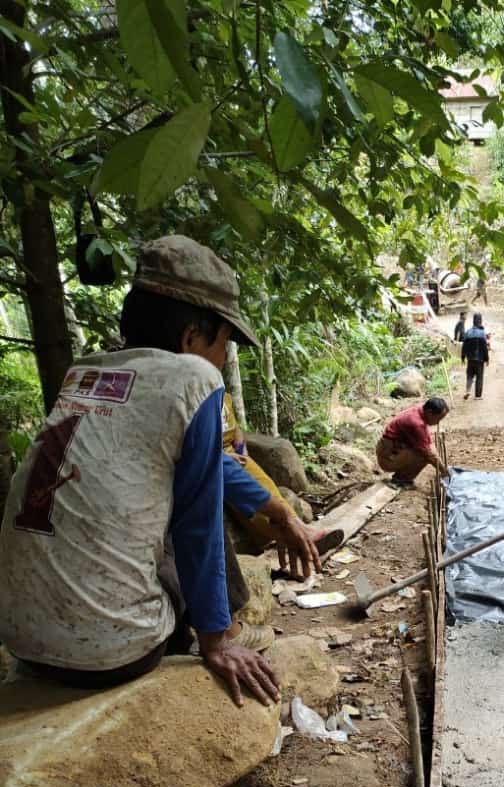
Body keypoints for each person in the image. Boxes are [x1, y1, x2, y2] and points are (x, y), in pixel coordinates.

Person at [0, 235, 321, 707]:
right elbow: (199, 521)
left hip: (22, 641)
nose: (220, 356)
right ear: (193, 336)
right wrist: (215, 642)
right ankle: (224, 630)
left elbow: (208, 464)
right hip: (112, 652)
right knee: (191, 513)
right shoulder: (194, 379)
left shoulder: (85, 373)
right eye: (223, 342)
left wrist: (277, 511)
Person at [221, 392, 341, 565]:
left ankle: (300, 528)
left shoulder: (223, 395)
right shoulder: (194, 398)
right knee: (247, 501)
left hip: (233, 455)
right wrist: (221, 457)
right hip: (215, 459)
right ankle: (293, 536)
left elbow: (235, 429)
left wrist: (241, 450)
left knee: (265, 485)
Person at [376, 398, 450, 486]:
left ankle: (403, 478)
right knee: (424, 455)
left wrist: (440, 463)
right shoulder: (416, 423)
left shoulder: (420, 411)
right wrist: (444, 471)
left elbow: (428, 443)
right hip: (387, 458)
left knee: (427, 453)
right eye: (438, 419)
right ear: (430, 412)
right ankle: (400, 479)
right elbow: (428, 453)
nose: (438, 423)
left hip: (393, 449)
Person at [461, 313, 490, 400]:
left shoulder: (468, 332)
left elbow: (464, 346)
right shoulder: (482, 333)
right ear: (480, 321)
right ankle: (478, 396)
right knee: (479, 377)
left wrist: (462, 357)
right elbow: (485, 348)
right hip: (480, 359)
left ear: (473, 321)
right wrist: (487, 358)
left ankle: (468, 391)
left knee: (469, 375)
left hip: (470, 359)